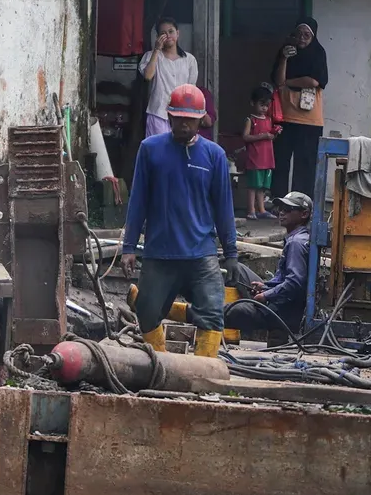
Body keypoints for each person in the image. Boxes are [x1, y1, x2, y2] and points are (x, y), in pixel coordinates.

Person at [121, 84, 238, 358]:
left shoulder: (214, 156)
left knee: (212, 313)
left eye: (191, 119)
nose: (185, 124)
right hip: (160, 253)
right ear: (169, 116)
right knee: (147, 311)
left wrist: (231, 253)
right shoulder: (150, 150)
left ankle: (203, 371)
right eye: (179, 118)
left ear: (201, 120)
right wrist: (129, 247)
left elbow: (224, 208)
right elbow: (138, 201)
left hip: (201, 255)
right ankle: (160, 365)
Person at [155, 192, 311, 335]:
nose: (282, 212)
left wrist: (266, 295)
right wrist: (266, 286)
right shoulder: (295, 239)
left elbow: (294, 283)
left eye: (288, 209)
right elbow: (284, 279)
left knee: (237, 311)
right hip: (280, 299)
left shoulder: (296, 243)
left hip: (282, 311)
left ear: (304, 214)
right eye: (281, 208)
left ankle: (190, 313)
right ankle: (209, 303)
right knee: (236, 270)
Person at [271, 17, 328, 198]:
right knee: (280, 161)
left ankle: (301, 203)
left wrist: (287, 82)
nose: (302, 38)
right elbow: (277, 79)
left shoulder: (318, 53)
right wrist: (284, 58)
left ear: (313, 36)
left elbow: (314, 81)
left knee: (305, 164)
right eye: (299, 34)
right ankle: (279, 201)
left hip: (309, 120)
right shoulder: (286, 50)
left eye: (306, 35)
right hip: (284, 116)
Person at [139, 17, 199, 139]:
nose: (168, 35)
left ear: (178, 33)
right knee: (158, 148)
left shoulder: (189, 60)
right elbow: (148, 76)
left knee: (179, 147)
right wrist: (156, 49)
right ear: (158, 37)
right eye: (163, 33)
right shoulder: (150, 56)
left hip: (181, 115)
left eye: (171, 31)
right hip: (158, 113)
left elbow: (191, 89)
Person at [242, 84, 280, 220]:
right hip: (255, 158)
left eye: (267, 105)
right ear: (253, 103)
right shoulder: (250, 120)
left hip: (267, 158)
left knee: (262, 187)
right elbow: (245, 137)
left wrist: (275, 133)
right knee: (253, 185)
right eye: (261, 104)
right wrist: (263, 136)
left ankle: (261, 209)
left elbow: (270, 137)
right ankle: (251, 210)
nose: (264, 108)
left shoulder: (269, 120)